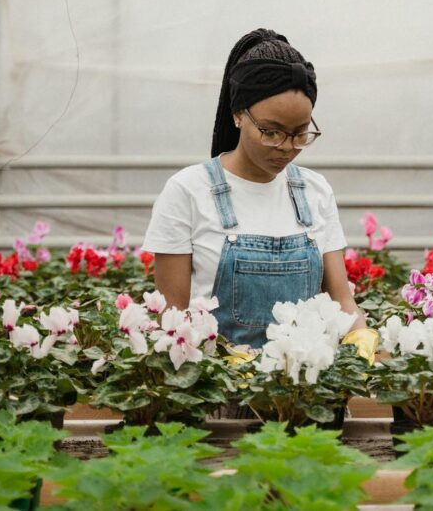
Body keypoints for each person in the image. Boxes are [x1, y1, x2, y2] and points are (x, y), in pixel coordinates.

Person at [143, 28, 377, 360]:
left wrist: (359, 336)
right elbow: (172, 316)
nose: (286, 147)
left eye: (300, 134)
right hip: (219, 390)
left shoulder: (315, 192)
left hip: (305, 386)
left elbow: (342, 301)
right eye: (271, 132)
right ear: (238, 114)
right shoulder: (188, 192)